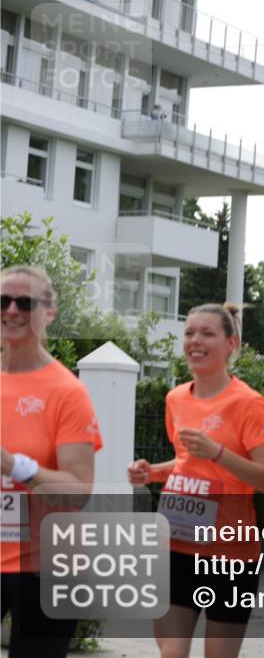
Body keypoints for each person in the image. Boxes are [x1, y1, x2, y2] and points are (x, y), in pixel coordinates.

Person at [128, 303, 264, 658]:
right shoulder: (176, 398)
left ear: (231, 344)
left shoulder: (248, 403)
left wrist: (219, 453)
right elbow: (186, 462)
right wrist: (153, 472)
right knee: (172, 653)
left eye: (207, 333)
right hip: (176, 548)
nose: (195, 341)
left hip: (230, 555)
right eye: (189, 333)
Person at [1, 265, 103, 658]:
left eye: (24, 302)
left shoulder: (66, 391)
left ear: (49, 312)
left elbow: (77, 491)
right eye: (3, 300)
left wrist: (14, 466)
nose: (11, 310)